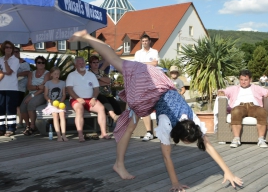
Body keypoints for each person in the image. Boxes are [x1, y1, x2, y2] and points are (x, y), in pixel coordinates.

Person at [69, 30, 243, 191]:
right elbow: (167, 157)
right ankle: (86, 37)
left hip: (155, 80)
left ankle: (119, 164)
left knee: (129, 124)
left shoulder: (192, 122)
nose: (186, 143)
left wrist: (227, 172)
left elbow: (208, 145)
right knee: (116, 65)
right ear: (179, 134)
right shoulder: (168, 124)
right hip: (147, 88)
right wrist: (175, 183)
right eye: (185, 141)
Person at [218, 69, 268, 148]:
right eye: (241, 80)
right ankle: (236, 139)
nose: (243, 82)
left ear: (250, 80)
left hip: (253, 106)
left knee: (262, 111)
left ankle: (261, 139)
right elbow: (223, 91)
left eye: (246, 80)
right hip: (239, 106)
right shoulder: (234, 88)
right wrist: (221, 92)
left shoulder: (256, 87)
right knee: (236, 111)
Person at [66, 57, 110, 142]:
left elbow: (96, 89)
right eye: (79, 63)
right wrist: (78, 98)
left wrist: (94, 98)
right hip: (76, 99)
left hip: (90, 99)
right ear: (75, 65)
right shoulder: (71, 75)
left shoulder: (91, 75)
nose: (82, 64)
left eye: (83, 63)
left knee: (101, 108)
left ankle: (103, 133)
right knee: (79, 109)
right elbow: (69, 89)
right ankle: (80, 134)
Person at [134, 34, 160, 141]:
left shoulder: (154, 52)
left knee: (155, 104)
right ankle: (149, 131)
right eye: (143, 41)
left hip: (152, 80)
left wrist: (142, 64)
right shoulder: (137, 53)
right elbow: (135, 66)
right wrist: (146, 64)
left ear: (149, 41)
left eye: (146, 41)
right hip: (141, 81)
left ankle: (160, 130)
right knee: (143, 105)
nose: (144, 42)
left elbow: (155, 63)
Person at [20, 56, 50, 136]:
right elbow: (29, 86)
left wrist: (32, 95)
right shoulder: (31, 73)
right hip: (32, 92)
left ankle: (33, 126)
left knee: (31, 104)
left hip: (42, 94)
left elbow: (44, 88)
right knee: (22, 106)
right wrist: (37, 87)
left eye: (43, 62)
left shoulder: (47, 73)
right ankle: (28, 125)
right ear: (36, 64)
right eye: (39, 62)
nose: (41, 64)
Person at [89, 55, 121, 122]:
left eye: (97, 62)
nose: (96, 64)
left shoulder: (101, 72)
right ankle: (113, 116)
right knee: (105, 101)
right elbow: (96, 84)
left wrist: (99, 78)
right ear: (90, 64)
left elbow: (109, 81)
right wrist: (102, 81)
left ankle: (121, 125)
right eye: (94, 62)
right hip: (96, 94)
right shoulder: (89, 73)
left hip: (106, 93)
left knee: (116, 105)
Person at [0, 41, 20, 137]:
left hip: (12, 87)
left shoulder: (15, 60)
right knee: (1, 108)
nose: (8, 49)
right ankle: (1, 128)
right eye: (6, 47)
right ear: (3, 49)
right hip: (1, 87)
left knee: (10, 108)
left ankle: (11, 128)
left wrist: (5, 62)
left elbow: (8, 72)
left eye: (10, 47)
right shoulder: (0, 59)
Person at [43, 67, 68, 142]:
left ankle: (63, 134)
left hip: (60, 102)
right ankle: (59, 135)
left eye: (58, 73)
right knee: (55, 115)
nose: (57, 75)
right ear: (51, 74)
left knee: (62, 115)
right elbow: (45, 95)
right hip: (51, 103)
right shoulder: (48, 83)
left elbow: (64, 95)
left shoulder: (62, 83)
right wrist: (50, 101)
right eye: (55, 74)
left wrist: (61, 102)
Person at [14, 47, 30, 129]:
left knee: (19, 105)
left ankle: (20, 122)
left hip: (21, 86)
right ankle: (17, 122)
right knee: (15, 105)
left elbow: (28, 72)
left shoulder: (24, 63)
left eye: (17, 52)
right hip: (12, 86)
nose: (15, 53)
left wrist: (18, 74)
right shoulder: (11, 62)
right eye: (14, 52)